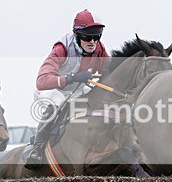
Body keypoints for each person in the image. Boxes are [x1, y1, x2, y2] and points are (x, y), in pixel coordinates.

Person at [25, 9, 110, 168]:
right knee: (56, 101)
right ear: (76, 34)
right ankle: (37, 150)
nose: (92, 41)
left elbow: (108, 71)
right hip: (52, 89)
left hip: (77, 88)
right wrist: (72, 78)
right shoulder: (61, 49)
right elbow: (41, 81)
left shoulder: (99, 49)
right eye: (87, 37)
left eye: (97, 36)